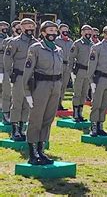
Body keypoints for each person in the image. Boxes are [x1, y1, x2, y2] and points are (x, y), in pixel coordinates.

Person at [23, 21, 63, 165]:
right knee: (36, 119)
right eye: (49, 30)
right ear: (43, 33)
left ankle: (41, 149)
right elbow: (27, 72)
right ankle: (33, 152)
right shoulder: (36, 48)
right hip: (41, 86)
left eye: (54, 30)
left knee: (48, 119)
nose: (52, 33)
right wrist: (27, 93)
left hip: (55, 86)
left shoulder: (58, 49)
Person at [3, 18, 38, 141]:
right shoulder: (14, 42)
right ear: (22, 28)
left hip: (31, 78)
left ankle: (23, 127)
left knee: (27, 103)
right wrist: (9, 73)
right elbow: (7, 59)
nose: (30, 29)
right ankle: (15, 129)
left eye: (32, 26)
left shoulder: (36, 43)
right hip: (19, 76)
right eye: (27, 26)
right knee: (17, 102)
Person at [87, 26, 107, 136]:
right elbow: (92, 65)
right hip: (99, 79)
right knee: (96, 103)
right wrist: (91, 81)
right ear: (104, 34)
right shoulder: (97, 47)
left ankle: (101, 126)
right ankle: (94, 126)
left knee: (105, 104)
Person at [69, 25, 94, 122]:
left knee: (84, 93)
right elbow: (71, 57)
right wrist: (71, 70)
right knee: (77, 92)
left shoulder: (93, 44)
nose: (88, 33)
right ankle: (75, 113)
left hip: (89, 71)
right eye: (86, 31)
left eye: (90, 31)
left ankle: (80, 112)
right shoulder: (77, 43)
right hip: (79, 71)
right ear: (82, 32)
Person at [2, 20, 21, 124]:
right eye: (17, 27)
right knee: (7, 93)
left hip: (20, 73)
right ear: (13, 28)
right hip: (9, 71)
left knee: (19, 96)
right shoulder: (7, 41)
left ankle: (17, 118)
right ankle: (5, 114)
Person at [54, 23, 73, 111]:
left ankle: (59, 104)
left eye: (66, 30)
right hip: (59, 65)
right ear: (59, 31)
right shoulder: (56, 40)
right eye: (63, 30)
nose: (65, 32)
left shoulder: (71, 42)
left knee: (64, 86)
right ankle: (54, 103)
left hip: (68, 66)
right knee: (57, 85)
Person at [0, 21, 10, 115]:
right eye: (2, 26)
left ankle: (2, 106)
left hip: (6, 66)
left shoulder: (8, 38)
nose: (4, 27)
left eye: (6, 26)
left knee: (5, 88)